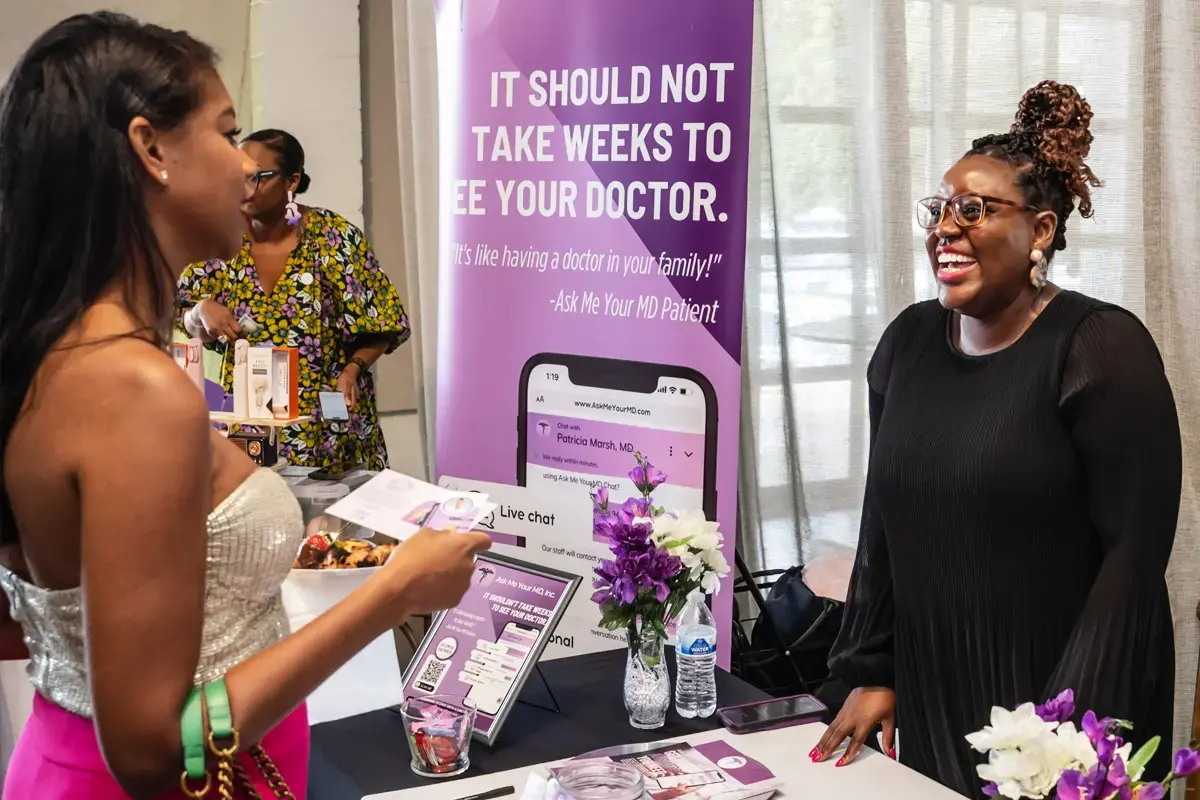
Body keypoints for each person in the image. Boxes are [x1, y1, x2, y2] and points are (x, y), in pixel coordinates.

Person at [0, 13, 490, 799]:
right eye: (227, 135)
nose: (244, 172)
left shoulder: (68, 349)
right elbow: (159, 748)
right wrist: (394, 594)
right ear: (150, 148)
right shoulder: (132, 386)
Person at [812, 81, 1179, 795]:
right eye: (940, 209)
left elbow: (1132, 562)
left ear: (1040, 230)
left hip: (1059, 698)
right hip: (939, 681)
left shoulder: (1100, 348)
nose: (945, 228)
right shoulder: (908, 343)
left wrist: (1062, 739)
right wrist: (872, 669)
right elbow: (883, 521)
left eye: (973, 210)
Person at [178, 128, 407, 470]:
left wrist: (352, 369)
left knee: (330, 523)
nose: (243, 188)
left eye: (256, 177)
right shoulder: (220, 239)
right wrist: (199, 310)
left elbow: (382, 326)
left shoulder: (334, 238)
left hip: (329, 429)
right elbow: (178, 313)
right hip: (252, 432)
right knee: (258, 519)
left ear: (291, 181)